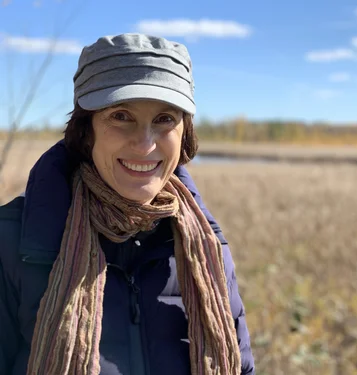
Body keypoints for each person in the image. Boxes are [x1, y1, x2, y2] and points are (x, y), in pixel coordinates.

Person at [0, 33, 255, 375]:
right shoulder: (12, 242)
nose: (145, 144)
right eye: (121, 116)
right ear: (85, 129)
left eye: (165, 119)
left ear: (185, 135)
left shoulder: (208, 249)